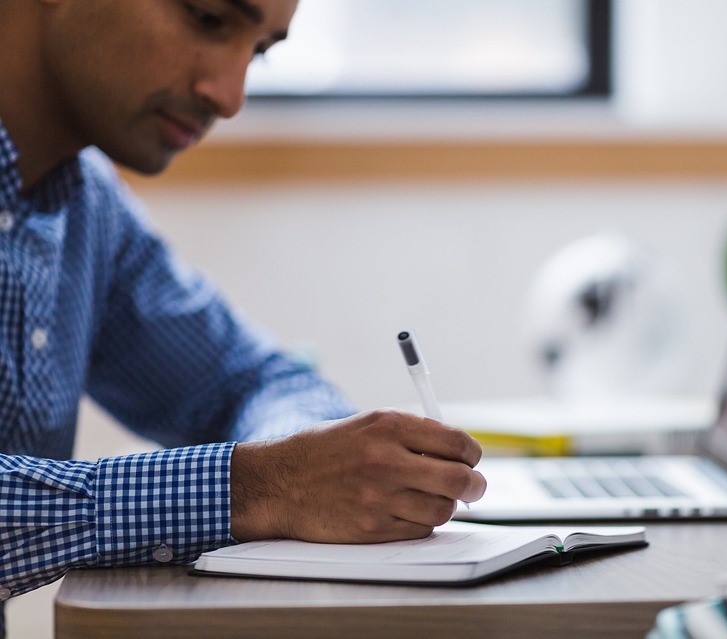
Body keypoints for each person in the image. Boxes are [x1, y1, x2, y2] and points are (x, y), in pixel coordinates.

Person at [0, 1, 487, 634]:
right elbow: (266, 476)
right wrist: (260, 486)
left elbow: (252, 379)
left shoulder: (84, 206)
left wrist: (311, 466)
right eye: (207, 19)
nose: (230, 97)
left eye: (258, 51)